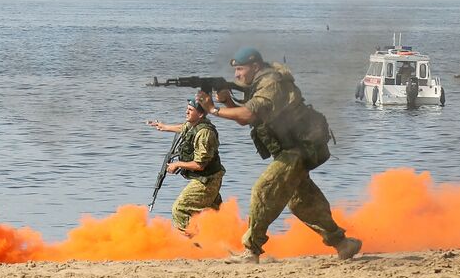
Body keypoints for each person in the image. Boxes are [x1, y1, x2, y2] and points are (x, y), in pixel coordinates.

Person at [199, 47, 362, 262]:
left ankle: (251, 251)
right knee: (303, 201)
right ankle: (343, 244)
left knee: (263, 189)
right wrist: (227, 103)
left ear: (255, 67)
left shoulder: (271, 83)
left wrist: (212, 110)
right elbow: (246, 117)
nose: (236, 75)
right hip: (292, 148)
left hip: (300, 148)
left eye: (240, 69)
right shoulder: (259, 85)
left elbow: (248, 114)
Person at [146, 99, 224, 233]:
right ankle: (224, 242)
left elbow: (200, 165)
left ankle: (193, 244)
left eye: (190, 110)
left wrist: (178, 164)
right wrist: (164, 127)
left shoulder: (204, 133)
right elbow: (184, 128)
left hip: (207, 180)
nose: (186, 111)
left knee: (180, 209)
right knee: (216, 215)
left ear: (200, 114)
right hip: (207, 178)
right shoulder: (194, 124)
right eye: (187, 108)